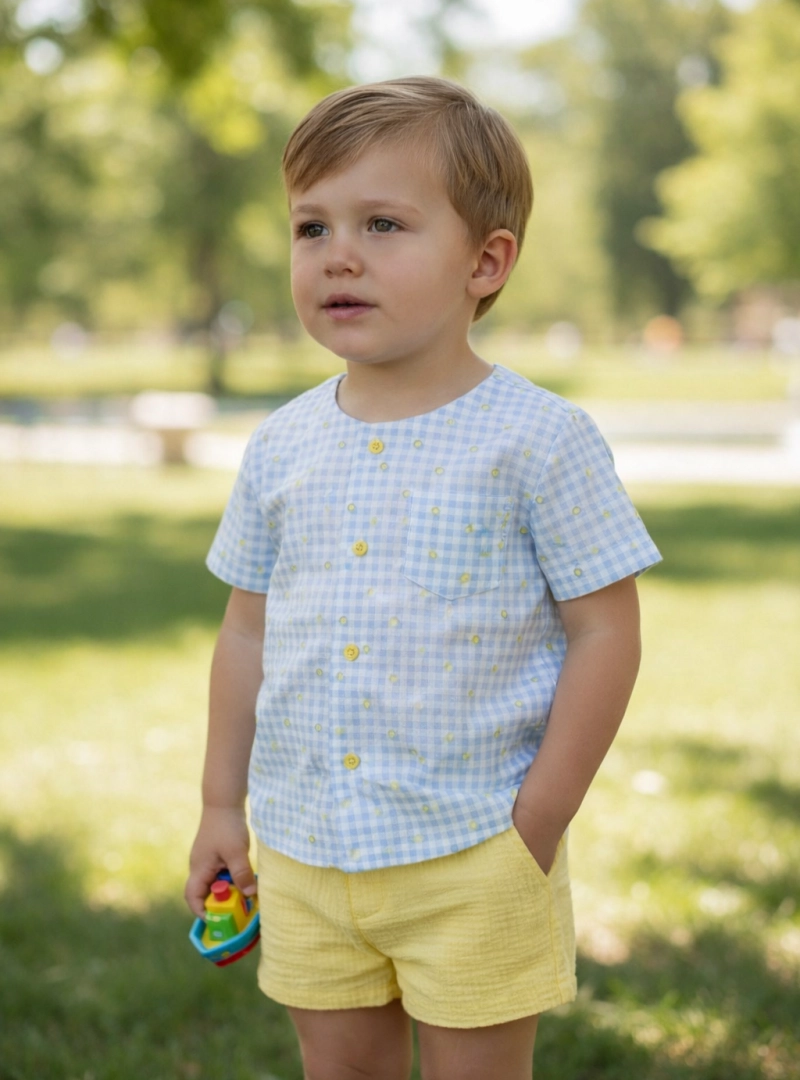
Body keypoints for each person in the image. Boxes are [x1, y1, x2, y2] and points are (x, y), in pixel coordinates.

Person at [185, 76, 662, 1080]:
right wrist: (221, 806)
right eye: (310, 227)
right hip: (310, 850)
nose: (337, 254)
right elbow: (245, 634)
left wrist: (537, 819)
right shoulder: (281, 446)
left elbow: (604, 630)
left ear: (483, 263)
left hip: (472, 851)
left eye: (383, 223)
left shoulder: (538, 439)